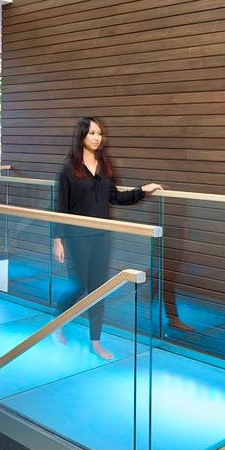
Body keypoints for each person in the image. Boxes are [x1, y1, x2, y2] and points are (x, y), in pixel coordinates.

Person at [53, 116, 162, 360]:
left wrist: (142, 190)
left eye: (99, 134)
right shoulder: (69, 169)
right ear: (81, 135)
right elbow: (60, 206)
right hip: (76, 236)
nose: (96, 138)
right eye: (92, 133)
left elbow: (114, 197)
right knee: (79, 285)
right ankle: (57, 323)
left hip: (102, 236)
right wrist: (57, 239)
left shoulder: (105, 165)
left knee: (98, 290)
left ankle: (96, 342)